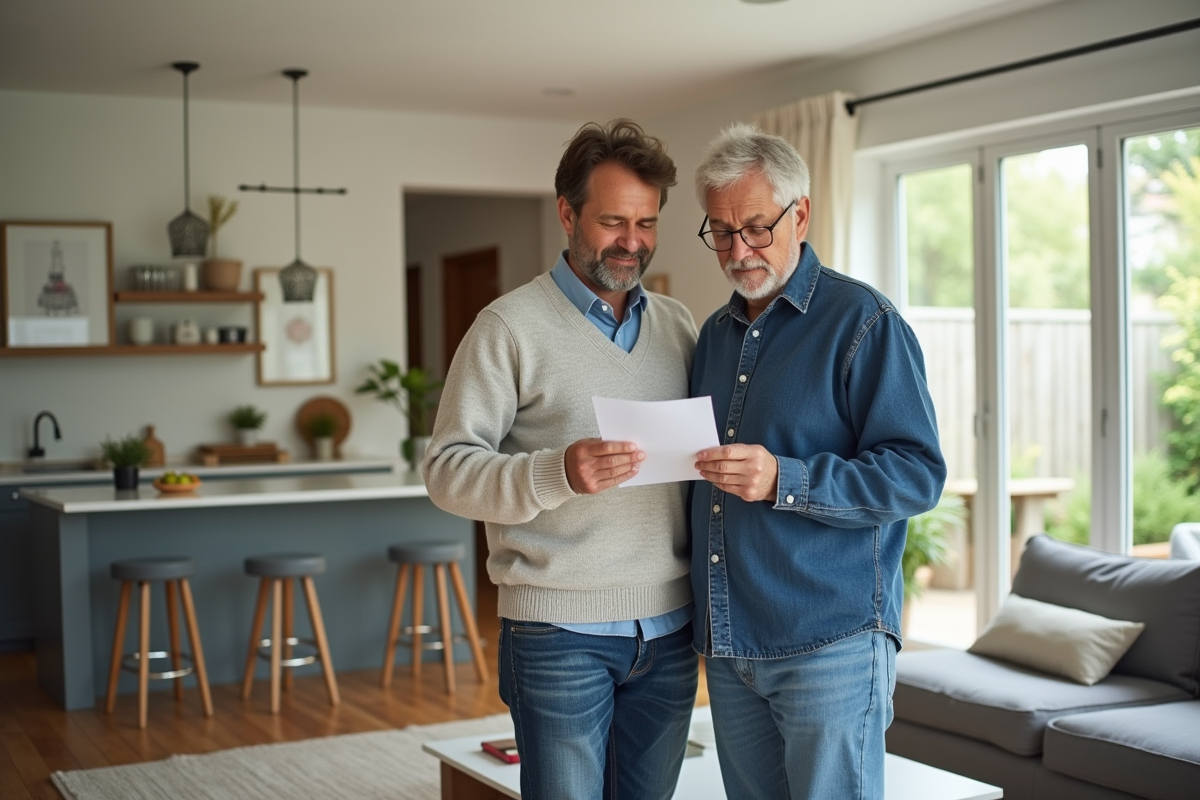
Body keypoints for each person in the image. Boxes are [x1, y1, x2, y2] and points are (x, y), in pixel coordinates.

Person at [423, 119, 699, 800]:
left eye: (646, 222)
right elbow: (448, 472)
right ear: (568, 214)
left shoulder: (680, 326)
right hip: (556, 633)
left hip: (669, 632)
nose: (632, 241)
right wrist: (558, 472)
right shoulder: (507, 328)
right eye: (612, 221)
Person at [688, 122, 947, 800]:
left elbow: (917, 474)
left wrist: (784, 479)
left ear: (800, 213)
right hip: (731, 641)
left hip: (828, 642)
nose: (737, 250)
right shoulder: (713, 337)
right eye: (720, 230)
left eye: (755, 227)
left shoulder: (864, 321)